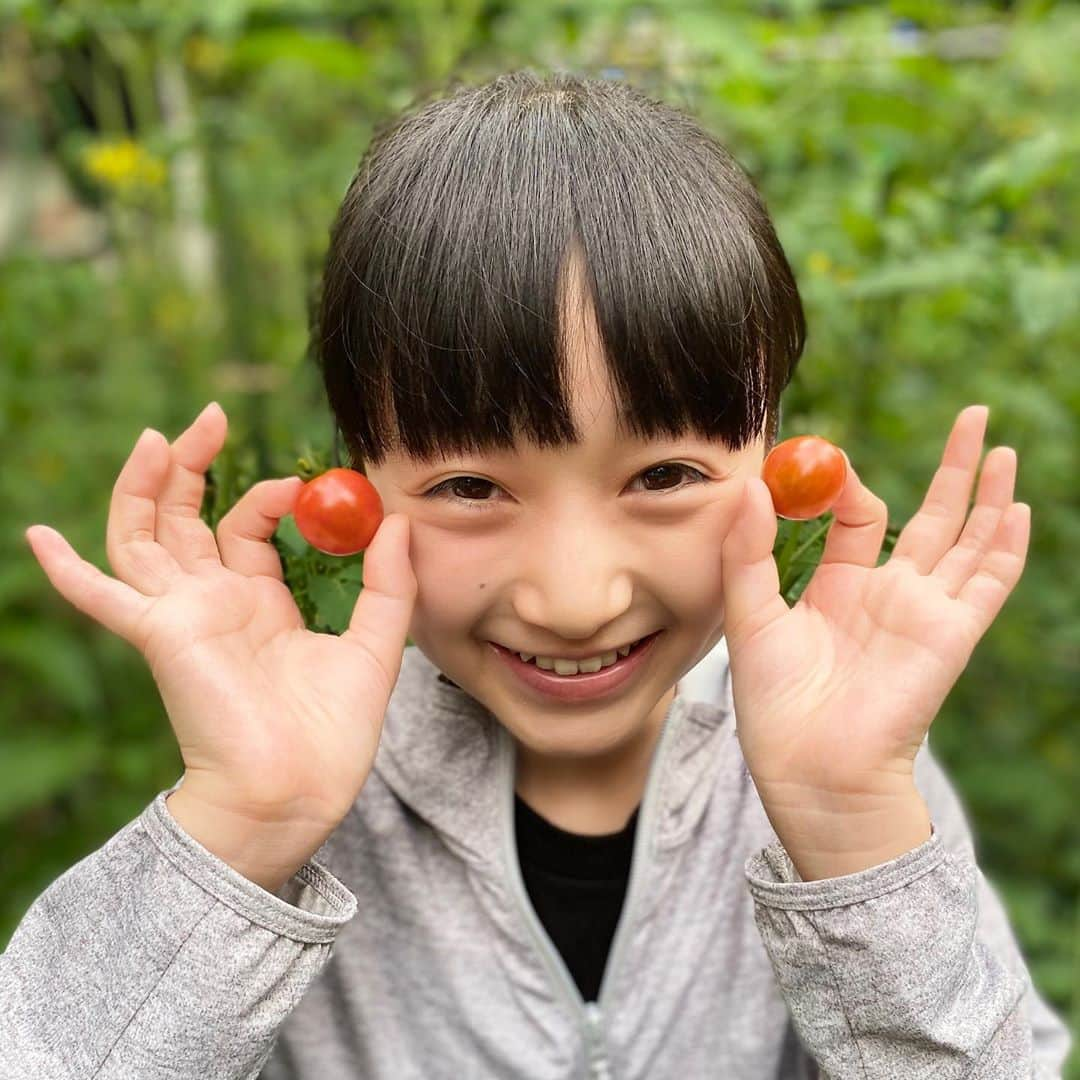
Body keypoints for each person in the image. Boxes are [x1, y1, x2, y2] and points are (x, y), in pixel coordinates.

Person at [3, 69, 1072, 1079]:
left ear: (781, 471)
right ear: (356, 490)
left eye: (664, 473)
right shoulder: (294, 800)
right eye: (470, 487)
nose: (574, 599)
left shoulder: (860, 770)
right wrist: (240, 827)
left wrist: (855, 838)